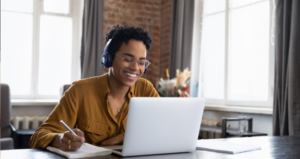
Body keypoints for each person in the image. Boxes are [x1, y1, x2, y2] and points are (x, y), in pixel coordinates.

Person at [29, 25, 160, 151]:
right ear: (108, 58)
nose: (136, 68)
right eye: (127, 59)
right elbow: (38, 136)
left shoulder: (146, 90)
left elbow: (162, 129)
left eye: (142, 62)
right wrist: (61, 139)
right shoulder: (79, 91)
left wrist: (123, 137)